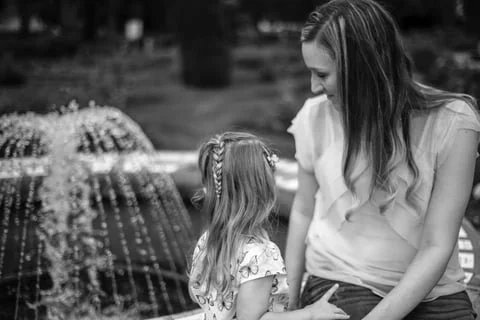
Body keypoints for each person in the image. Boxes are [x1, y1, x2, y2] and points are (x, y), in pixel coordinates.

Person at [285, 0, 480, 319]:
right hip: (343, 279)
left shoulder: (453, 123)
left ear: (363, 67)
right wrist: (289, 301)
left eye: (321, 74)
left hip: (434, 290)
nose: (313, 86)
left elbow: (437, 245)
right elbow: (303, 210)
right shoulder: (314, 118)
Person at [188, 132, 350, 320]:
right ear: (263, 192)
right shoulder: (260, 254)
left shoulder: (209, 240)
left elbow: (196, 292)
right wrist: (311, 313)